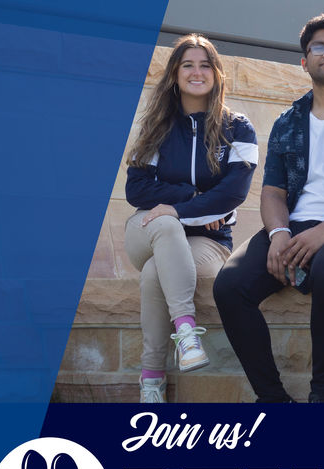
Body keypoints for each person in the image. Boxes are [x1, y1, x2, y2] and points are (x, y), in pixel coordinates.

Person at [213, 13, 324, 403]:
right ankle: (273, 399)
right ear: (304, 60)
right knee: (230, 285)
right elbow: (273, 192)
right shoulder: (287, 120)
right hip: (295, 225)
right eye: (318, 46)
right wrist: (280, 233)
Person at [124, 34, 257, 403]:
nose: (196, 72)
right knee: (166, 224)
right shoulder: (155, 126)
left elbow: (233, 192)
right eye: (187, 65)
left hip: (210, 241)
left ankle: (150, 382)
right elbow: (137, 189)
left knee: (155, 273)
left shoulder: (238, 128)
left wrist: (184, 209)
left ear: (215, 73)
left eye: (204, 65)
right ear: (175, 74)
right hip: (147, 230)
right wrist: (193, 201)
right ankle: (186, 332)